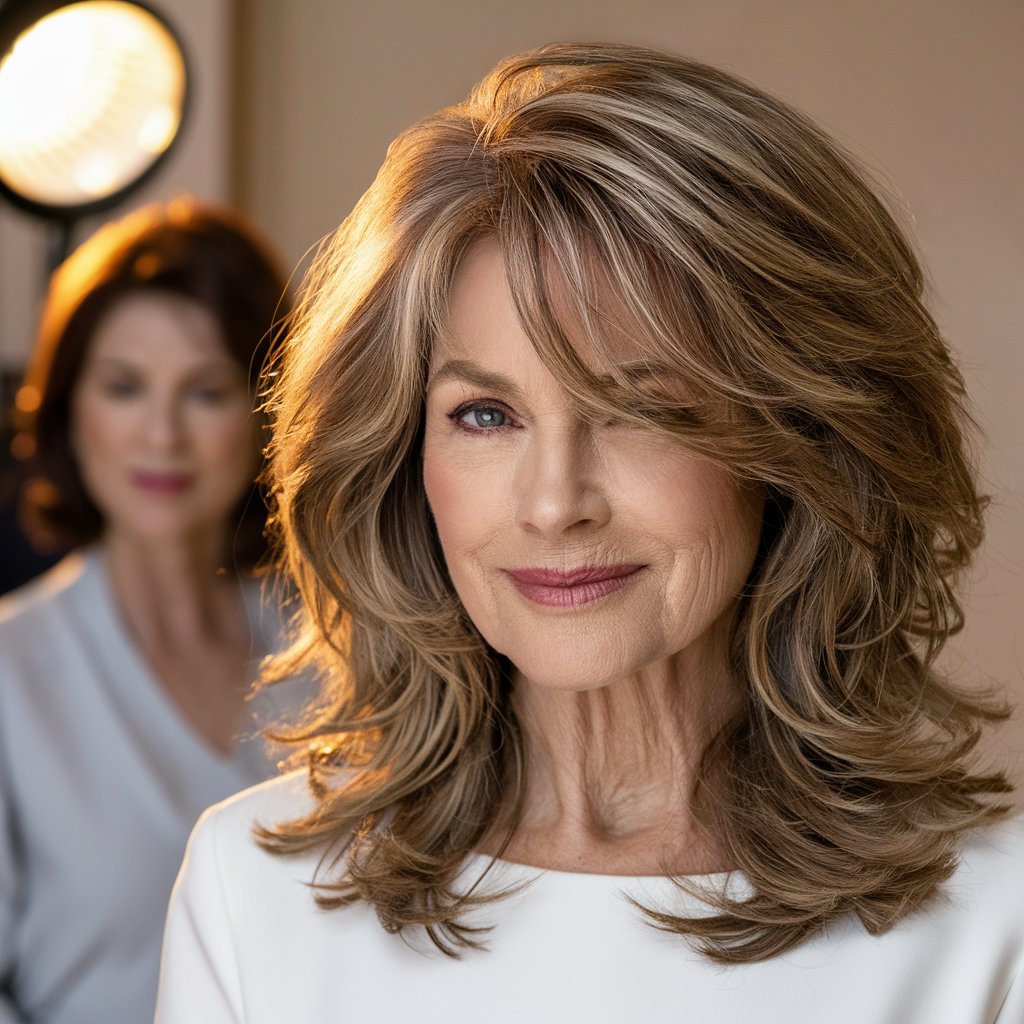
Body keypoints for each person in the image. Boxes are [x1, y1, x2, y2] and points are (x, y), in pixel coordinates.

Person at [155, 44, 1023, 1022]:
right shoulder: (257, 898)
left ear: (794, 441)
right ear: (406, 459)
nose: (552, 502)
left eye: (638, 408)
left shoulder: (996, 914)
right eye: (486, 415)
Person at [0, 199, 308, 1024]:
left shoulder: (337, 658)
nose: (161, 434)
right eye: (125, 387)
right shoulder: (10, 673)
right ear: (70, 409)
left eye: (205, 391)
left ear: (262, 413)